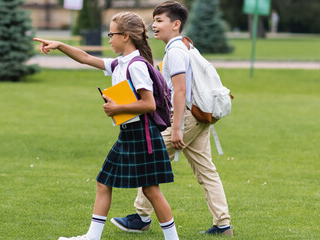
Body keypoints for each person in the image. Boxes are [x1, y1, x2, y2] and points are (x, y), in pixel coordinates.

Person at [34, 11, 178, 240]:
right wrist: (60, 45)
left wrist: (117, 109)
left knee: (151, 190)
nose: (109, 38)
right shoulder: (120, 63)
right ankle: (92, 237)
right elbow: (85, 58)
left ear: (126, 36)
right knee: (104, 182)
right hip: (129, 133)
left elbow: (149, 104)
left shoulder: (136, 65)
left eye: (112, 34)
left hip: (143, 134)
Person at [110, 1, 233, 236]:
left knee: (150, 157)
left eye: (159, 20)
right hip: (200, 115)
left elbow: (179, 90)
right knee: (206, 170)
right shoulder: (184, 46)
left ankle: (141, 217)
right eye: (154, 20)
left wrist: (176, 128)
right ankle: (223, 224)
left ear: (175, 25)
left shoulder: (176, 51)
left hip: (186, 116)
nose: (153, 25)